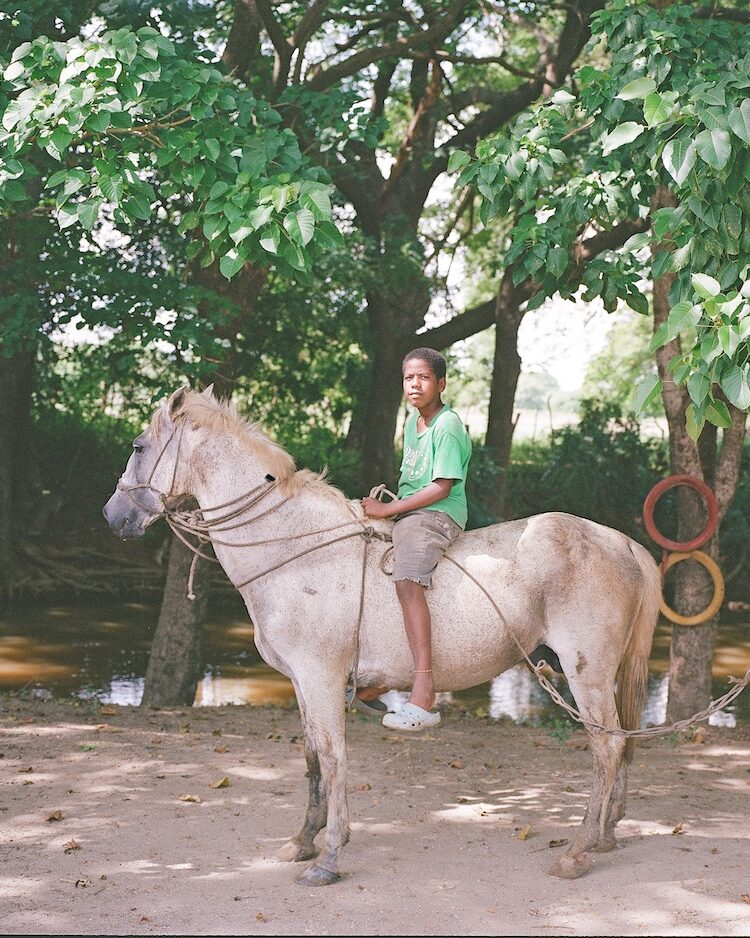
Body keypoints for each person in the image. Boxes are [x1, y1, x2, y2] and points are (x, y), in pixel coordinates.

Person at [357, 347, 472, 732]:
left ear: (440, 384)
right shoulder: (412, 424)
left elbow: (441, 486)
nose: (415, 384)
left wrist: (389, 511)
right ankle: (370, 678)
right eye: (409, 378)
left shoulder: (448, 424)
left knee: (406, 580)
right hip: (408, 512)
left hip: (437, 515)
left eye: (423, 378)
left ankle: (423, 692)